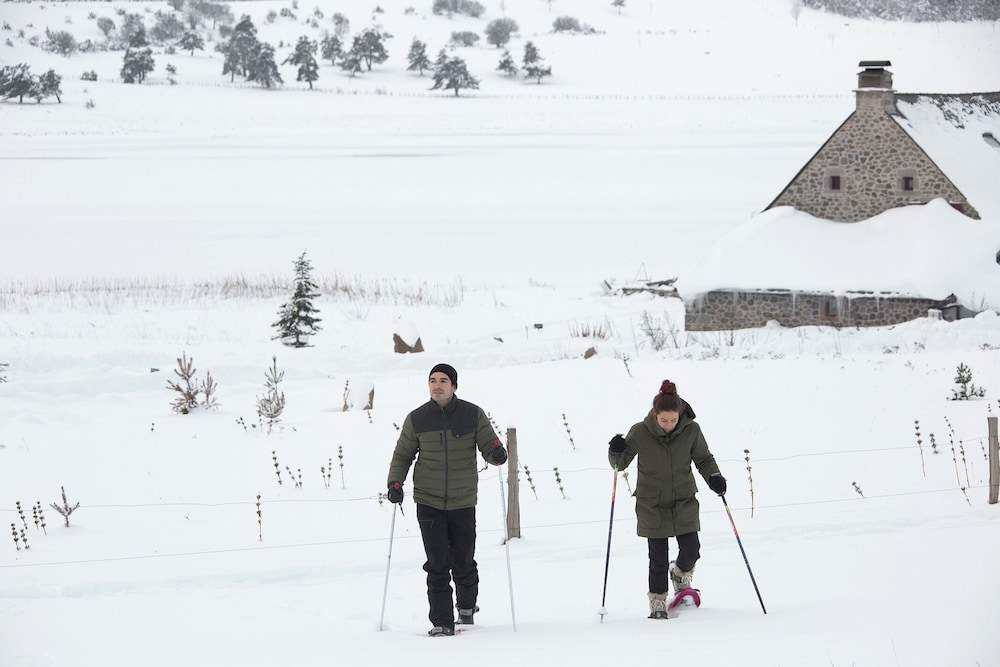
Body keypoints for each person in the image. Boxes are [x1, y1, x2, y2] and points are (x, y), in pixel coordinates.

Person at [386, 363, 508, 637]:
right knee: (437, 563)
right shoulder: (416, 419)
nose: (437, 385)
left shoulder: (472, 415)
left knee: (463, 561)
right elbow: (403, 455)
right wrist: (395, 482)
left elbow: (490, 445)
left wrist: (497, 453)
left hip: (463, 501)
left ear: (454, 386)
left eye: (443, 380)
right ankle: (441, 622)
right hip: (428, 501)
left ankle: (466, 607)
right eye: (432, 380)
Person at [608, 379, 726, 620]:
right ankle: (658, 601)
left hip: (684, 500)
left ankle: (681, 575)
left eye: (673, 420)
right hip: (652, 503)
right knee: (658, 558)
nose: (669, 425)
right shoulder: (641, 431)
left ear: (680, 414)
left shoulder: (691, 430)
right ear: (655, 414)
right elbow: (619, 465)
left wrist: (714, 476)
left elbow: (703, 459)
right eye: (664, 421)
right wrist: (615, 449)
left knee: (692, 548)